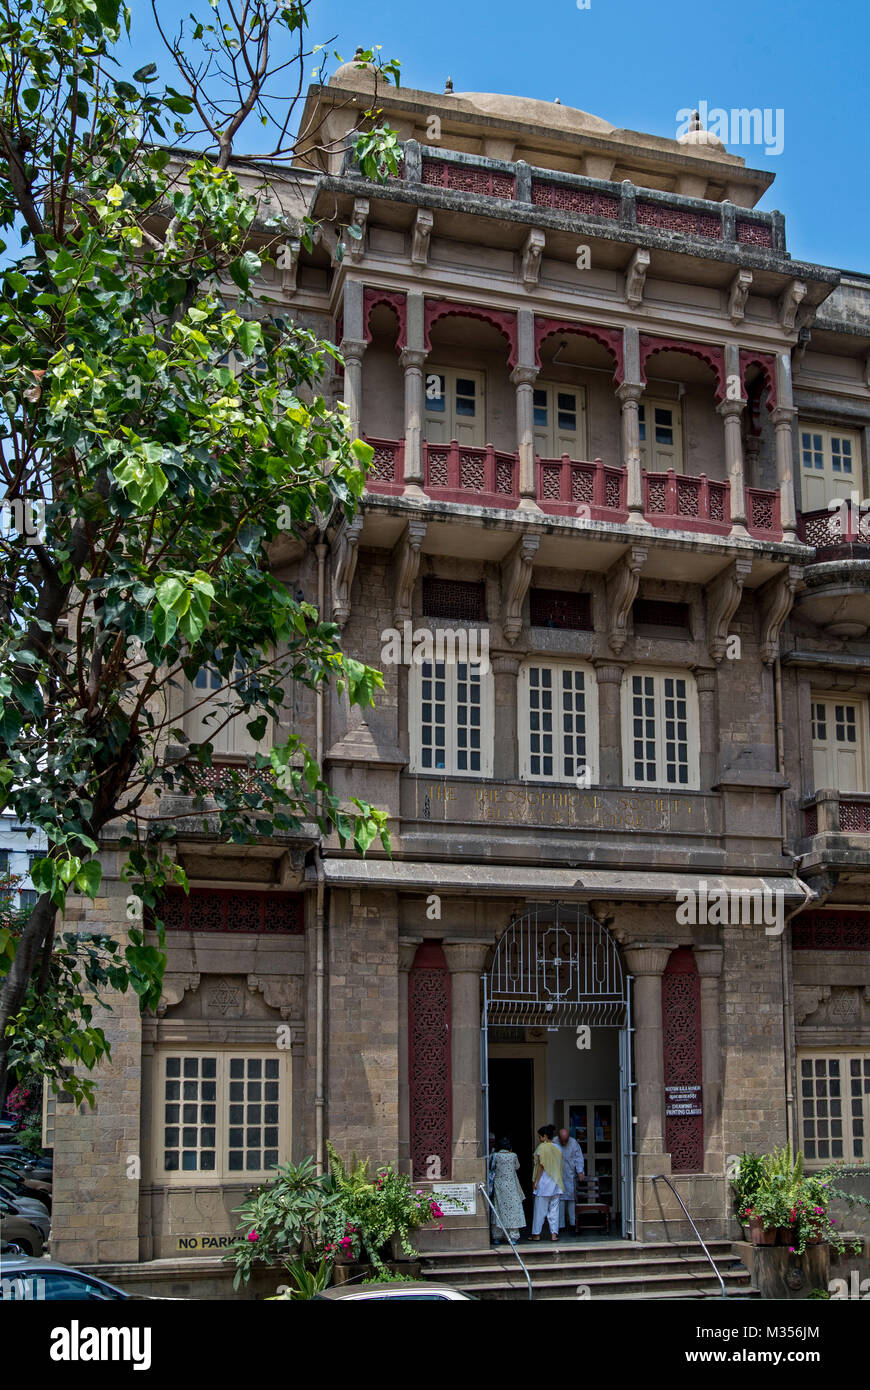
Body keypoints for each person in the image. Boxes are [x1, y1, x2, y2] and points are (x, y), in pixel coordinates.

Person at [488, 1137, 525, 1245]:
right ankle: (513, 1236)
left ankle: (497, 1236)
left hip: (499, 1185)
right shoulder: (513, 1156)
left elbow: (491, 1167)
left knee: (499, 1209)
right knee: (512, 1210)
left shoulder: (495, 1156)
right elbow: (517, 1167)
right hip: (511, 1185)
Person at [530, 1123, 564, 1241]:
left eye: (540, 1137)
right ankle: (554, 1234)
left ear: (545, 1136)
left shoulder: (542, 1148)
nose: (539, 1139)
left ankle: (536, 1234)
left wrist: (536, 1182)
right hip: (556, 1183)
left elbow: (541, 1166)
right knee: (554, 1211)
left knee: (540, 1210)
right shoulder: (558, 1148)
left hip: (544, 1183)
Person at [554, 1126, 585, 1233]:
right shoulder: (554, 1142)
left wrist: (580, 1171)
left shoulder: (573, 1143)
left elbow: (578, 1158)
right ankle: (561, 1225)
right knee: (560, 1200)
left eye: (565, 1141)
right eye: (562, 1141)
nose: (564, 1143)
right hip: (558, 1174)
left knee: (571, 1200)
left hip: (570, 1174)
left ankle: (573, 1223)